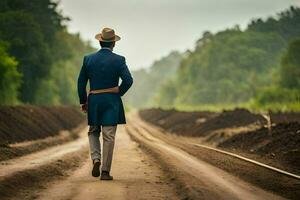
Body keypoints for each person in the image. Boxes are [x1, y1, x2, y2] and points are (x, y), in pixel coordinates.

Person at [77, 27, 133, 180]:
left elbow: (81, 83)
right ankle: (105, 172)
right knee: (109, 136)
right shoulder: (119, 60)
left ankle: (96, 158)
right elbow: (128, 80)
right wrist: (118, 92)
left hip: (94, 101)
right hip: (111, 102)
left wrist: (83, 101)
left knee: (93, 131)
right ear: (113, 43)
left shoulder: (88, 59)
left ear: (100, 41)